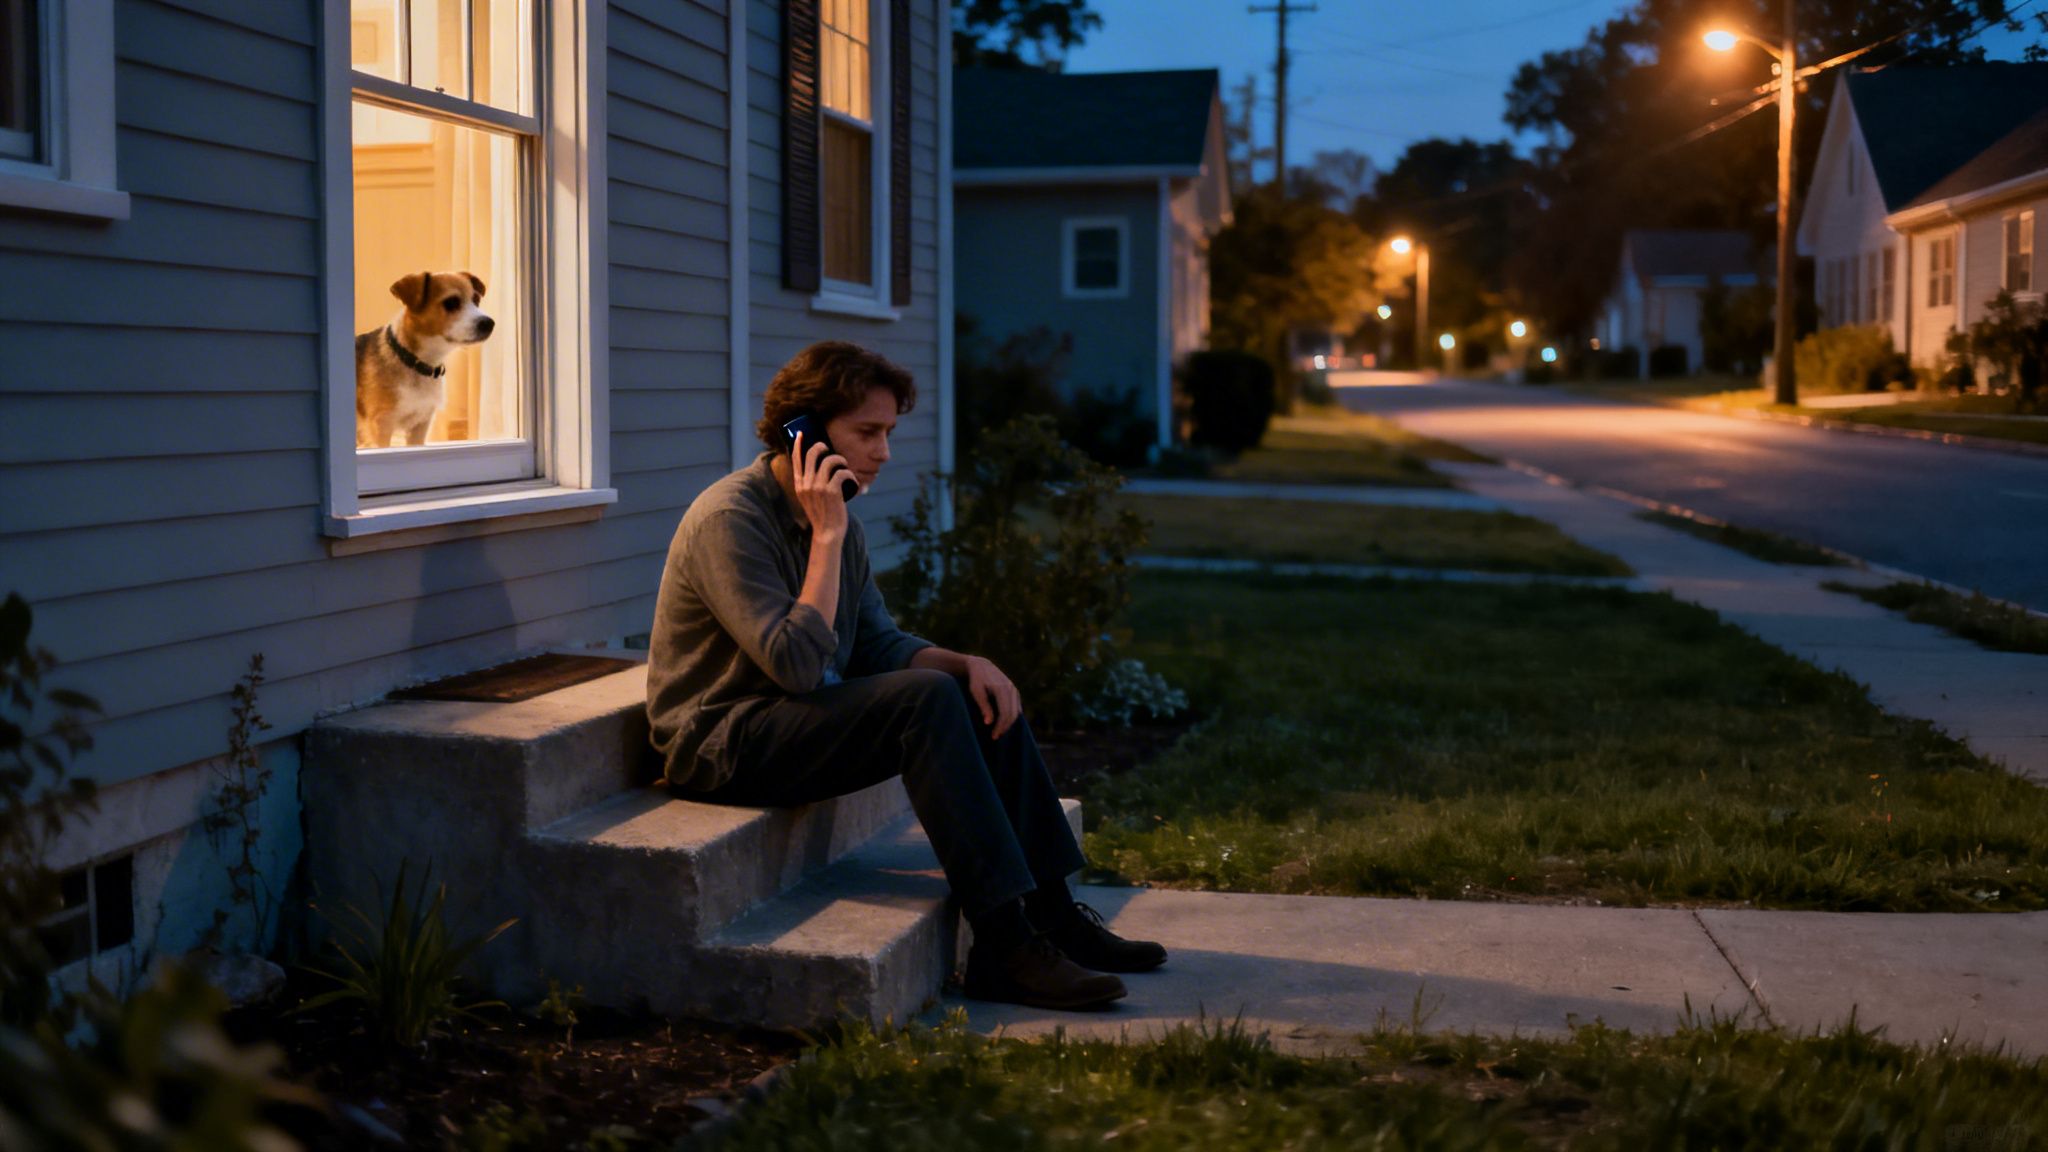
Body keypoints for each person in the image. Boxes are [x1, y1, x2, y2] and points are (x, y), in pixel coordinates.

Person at [646, 340, 1165, 1010]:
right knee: (923, 701)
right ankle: (1005, 946)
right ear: (802, 434)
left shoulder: (839, 524)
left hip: (789, 723)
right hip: (721, 741)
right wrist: (826, 538)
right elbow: (798, 667)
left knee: (967, 693)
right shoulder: (732, 519)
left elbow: (877, 645)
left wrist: (969, 663)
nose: (882, 452)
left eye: (887, 433)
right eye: (866, 433)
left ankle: (1055, 916)